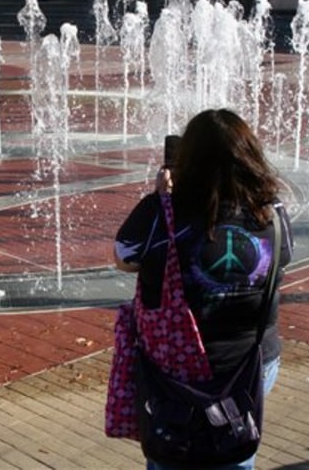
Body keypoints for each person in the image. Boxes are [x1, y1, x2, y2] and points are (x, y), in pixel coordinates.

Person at [113, 109, 294, 470]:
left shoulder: (159, 214)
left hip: (176, 370)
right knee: (232, 442)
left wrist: (160, 199)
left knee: (174, 452)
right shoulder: (273, 214)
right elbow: (283, 259)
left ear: (187, 160)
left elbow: (124, 258)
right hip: (252, 362)